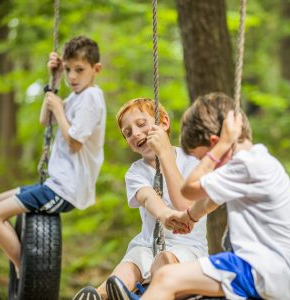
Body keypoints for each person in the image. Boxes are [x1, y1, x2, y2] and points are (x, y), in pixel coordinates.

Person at [109, 92, 290, 300]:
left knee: (166, 278)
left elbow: (188, 191)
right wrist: (190, 218)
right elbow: (207, 203)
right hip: (271, 271)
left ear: (215, 143)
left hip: (263, 269)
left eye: (204, 158)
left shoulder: (245, 165)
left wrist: (216, 148)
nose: (208, 166)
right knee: (170, 278)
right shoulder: (255, 160)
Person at [0, 36, 106, 277]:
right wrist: (55, 80)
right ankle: (23, 262)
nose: (72, 77)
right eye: (68, 69)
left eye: (79, 70)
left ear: (96, 69)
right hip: (54, 183)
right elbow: (45, 120)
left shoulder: (91, 97)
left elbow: (75, 142)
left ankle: (27, 272)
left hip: (65, 188)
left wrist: (59, 109)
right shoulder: (76, 95)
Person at [73, 98, 208, 300]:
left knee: (164, 262)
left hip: (187, 248)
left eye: (142, 124)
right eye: (127, 133)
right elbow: (147, 197)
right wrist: (164, 214)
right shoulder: (136, 172)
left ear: (163, 122)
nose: (135, 133)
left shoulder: (192, 161)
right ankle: (101, 297)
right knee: (122, 274)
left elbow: (185, 205)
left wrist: (165, 155)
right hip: (147, 245)